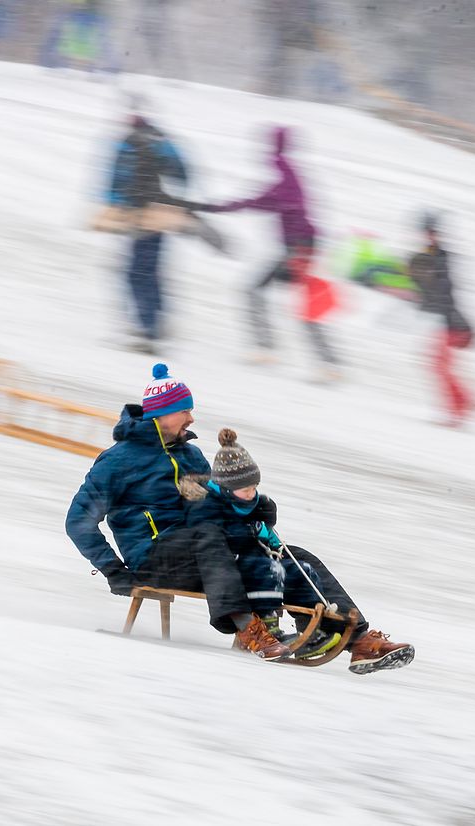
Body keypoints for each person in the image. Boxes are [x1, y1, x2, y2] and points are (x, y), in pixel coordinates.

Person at [65, 363, 415, 673]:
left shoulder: (191, 456)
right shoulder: (119, 461)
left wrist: (250, 511)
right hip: (154, 557)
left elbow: (210, 509)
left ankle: (358, 639)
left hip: (203, 554)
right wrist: (113, 570)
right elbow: (78, 521)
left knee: (288, 553)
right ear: (162, 414)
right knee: (209, 538)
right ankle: (250, 630)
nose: (191, 418)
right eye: (185, 410)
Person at [182, 429, 342, 660]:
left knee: (300, 570)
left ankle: (309, 629)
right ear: (227, 488)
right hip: (231, 569)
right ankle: (269, 626)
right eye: (246, 489)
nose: (252, 493)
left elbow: (268, 538)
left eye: (254, 487)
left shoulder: (253, 507)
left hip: (258, 561)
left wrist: (270, 534)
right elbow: (216, 538)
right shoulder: (207, 505)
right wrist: (250, 531)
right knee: (267, 568)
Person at [203, 126, 340, 377]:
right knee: (290, 298)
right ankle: (326, 361)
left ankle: (286, 353)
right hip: (302, 247)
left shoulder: (286, 178)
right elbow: (260, 201)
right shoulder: (288, 179)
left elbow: (266, 201)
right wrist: (218, 207)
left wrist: (222, 207)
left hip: (299, 247)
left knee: (258, 291)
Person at [105, 108, 189, 353]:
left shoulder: (130, 144)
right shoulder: (163, 142)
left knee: (136, 273)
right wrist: (175, 200)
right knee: (152, 270)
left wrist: (114, 204)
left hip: (140, 213)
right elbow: (182, 172)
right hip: (160, 213)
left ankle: (148, 328)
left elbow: (117, 176)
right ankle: (157, 321)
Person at [408, 214, 474, 426]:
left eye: (431, 232)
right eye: (427, 232)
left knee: (439, 366)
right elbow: (430, 288)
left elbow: (442, 289)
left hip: (451, 322)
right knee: (438, 365)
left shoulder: (439, 257)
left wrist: (423, 285)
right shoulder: (432, 255)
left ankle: (460, 407)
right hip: (447, 321)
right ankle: (462, 404)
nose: (428, 236)